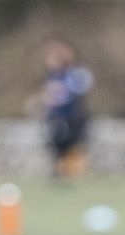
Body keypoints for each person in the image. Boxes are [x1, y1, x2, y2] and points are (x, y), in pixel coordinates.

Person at [33, 38, 93, 182]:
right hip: (57, 118)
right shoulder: (53, 75)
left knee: (71, 148)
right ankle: (61, 176)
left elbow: (68, 95)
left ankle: (72, 175)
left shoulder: (73, 73)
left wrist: (47, 99)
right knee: (57, 148)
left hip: (71, 118)